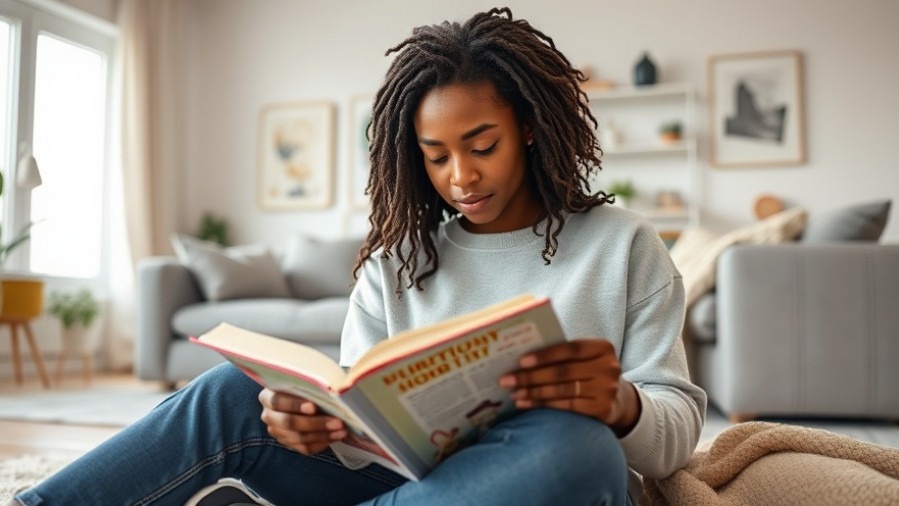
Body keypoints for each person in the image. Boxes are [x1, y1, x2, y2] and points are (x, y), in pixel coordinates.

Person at [11, 7, 705, 506]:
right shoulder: (397, 264)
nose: (459, 176)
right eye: (435, 157)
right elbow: (361, 435)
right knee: (230, 392)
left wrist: (617, 405)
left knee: (573, 445)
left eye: (480, 144)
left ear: (527, 127)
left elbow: (672, 435)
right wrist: (311, 426)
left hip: (540, 474)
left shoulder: (624, 247)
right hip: (401, 484)